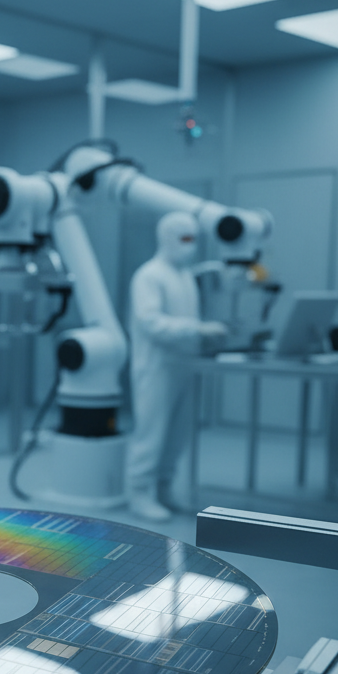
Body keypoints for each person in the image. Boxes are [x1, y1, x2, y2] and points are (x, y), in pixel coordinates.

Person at [127, 212, 227, 521]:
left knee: (177, 434)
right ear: (166, 237)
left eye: (194, 239)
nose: (190, 246)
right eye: (184, 238)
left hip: (185, 364)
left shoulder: (184, 275)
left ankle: (165, 487)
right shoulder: (149, 275)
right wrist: (197, 329)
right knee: (152, 432)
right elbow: (150, 322)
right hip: (157, 366)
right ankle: (139, 492)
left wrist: (202, 337)